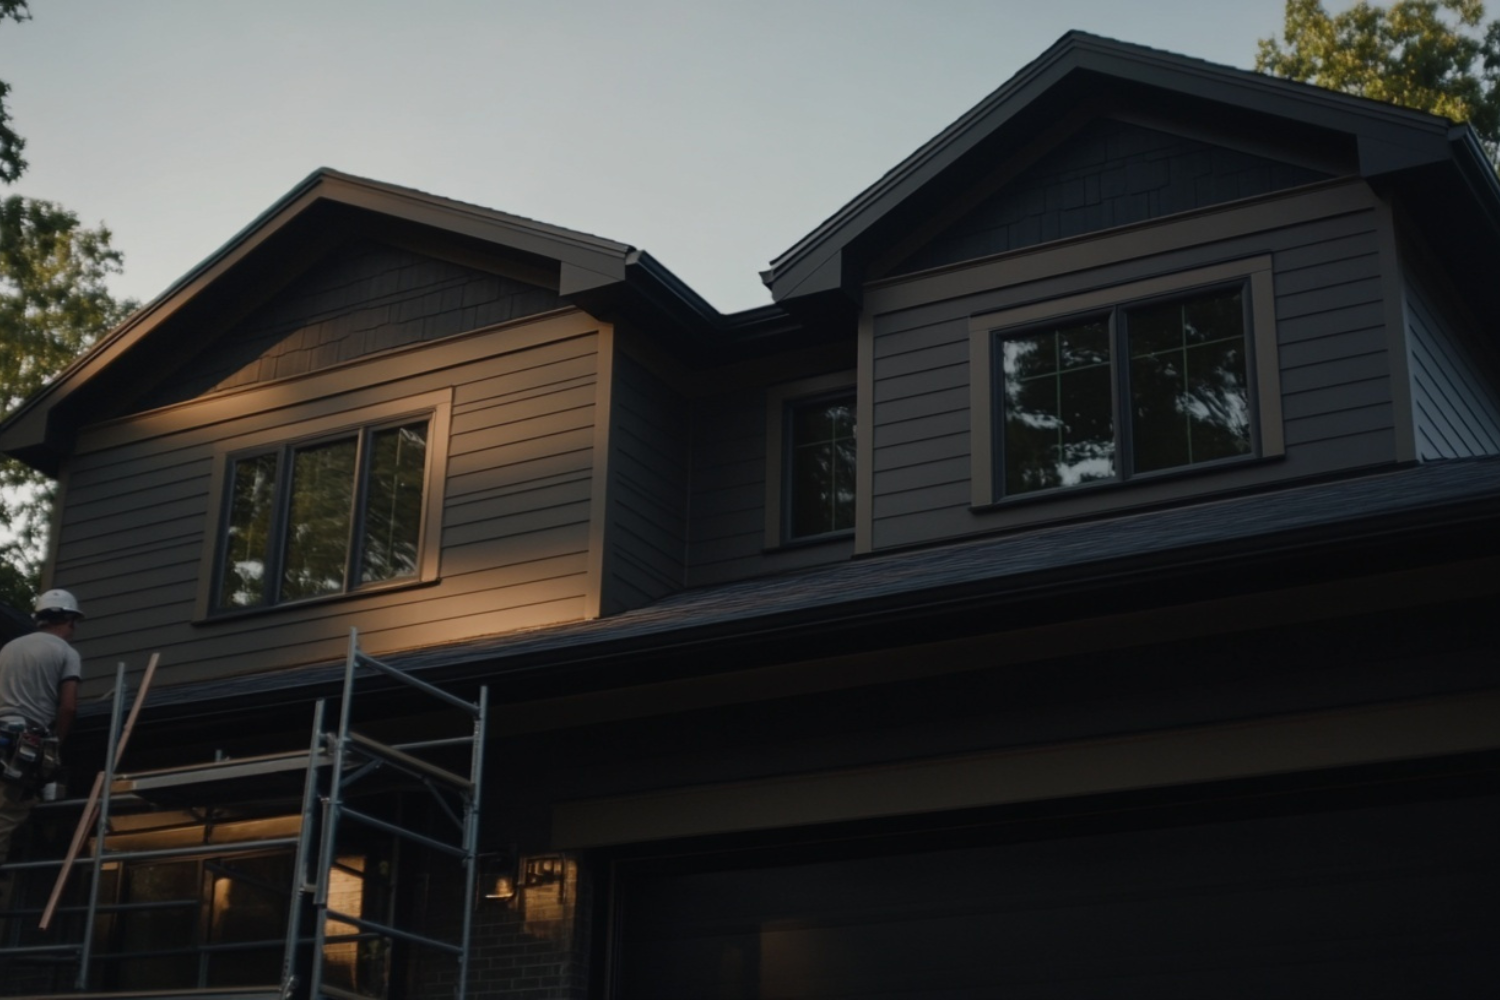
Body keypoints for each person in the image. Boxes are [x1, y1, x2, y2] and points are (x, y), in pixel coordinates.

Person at [0, 589, 84, 866]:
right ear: (69, 620)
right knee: (7, 815)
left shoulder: (9, 648)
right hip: (21, 746)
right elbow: (68, 706)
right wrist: (56, 747)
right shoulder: (66, 652)